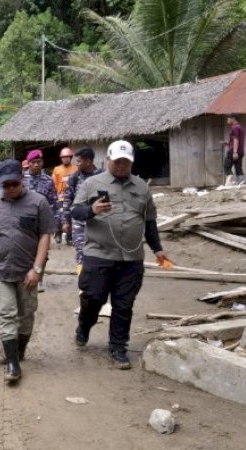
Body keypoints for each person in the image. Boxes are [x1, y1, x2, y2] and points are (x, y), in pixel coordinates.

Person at [71, 140, 172, 370]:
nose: (121, 166)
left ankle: (118, 348)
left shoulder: (142, 187)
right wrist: (91, 210)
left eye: (126, 162)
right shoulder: (91, 183)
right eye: (117, 161)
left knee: (123, 305)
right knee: (93, 298)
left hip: (131, 258)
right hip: (98, 254)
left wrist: (157, 248)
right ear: (108, 159)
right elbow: (75, 212)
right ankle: (84, 326)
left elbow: (149, 221)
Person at [0, 159, 53, 383]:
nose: (10, 189)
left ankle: (19, 351)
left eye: (14, 184)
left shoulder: (39, 202)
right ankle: (12, 362)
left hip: (27, 272)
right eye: (5, 185)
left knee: (26, 314)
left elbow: (45, 236)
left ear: (22, 180)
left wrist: (36, 269)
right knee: (6, 313)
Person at [62, 148, 103, 273]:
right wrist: (66, 221)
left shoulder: (102, 177)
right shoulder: (74, 177)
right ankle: (83, 286)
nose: (77, 164)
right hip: (79, 222)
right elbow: (67, 200)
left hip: (99, 222)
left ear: (88, 161)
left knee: (99, 253)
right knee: (80, 252)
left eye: (79, 161)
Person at [23, 149, 58, 292]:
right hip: (24, 221)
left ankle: (39, 279)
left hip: (42, 221)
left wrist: (55, 223)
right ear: (28, 164)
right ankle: (24, 276)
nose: (37, 165)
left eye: (39, 162)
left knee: (43, 252)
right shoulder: (21, 179)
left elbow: (54, 202)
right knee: (25, 249)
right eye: (33, 162)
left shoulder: (48, 180)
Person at [52, 147, 77, 244]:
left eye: (67, 157)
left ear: (71, 157)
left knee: (70, 217)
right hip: (60, 197)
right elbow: (53, 184)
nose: (65, 159)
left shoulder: (76, 168)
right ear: (61, 158)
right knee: (59, 216)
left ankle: (69, 237)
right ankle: (58, 233)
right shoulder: (56, 169)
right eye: (63, 157)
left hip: (72, 197)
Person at [224, 113, 246, 185]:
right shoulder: (240, 127)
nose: (227, 120)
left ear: (233, 119)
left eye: (228, 119)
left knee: (227, 166)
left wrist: (234, 152)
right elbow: (236, 139)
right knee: (238, 167)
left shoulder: (234, 127)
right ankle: (241, 182)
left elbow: (236, 139)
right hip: (241, 151)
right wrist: (228, 143)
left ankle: (228, 183)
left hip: (233, 151)